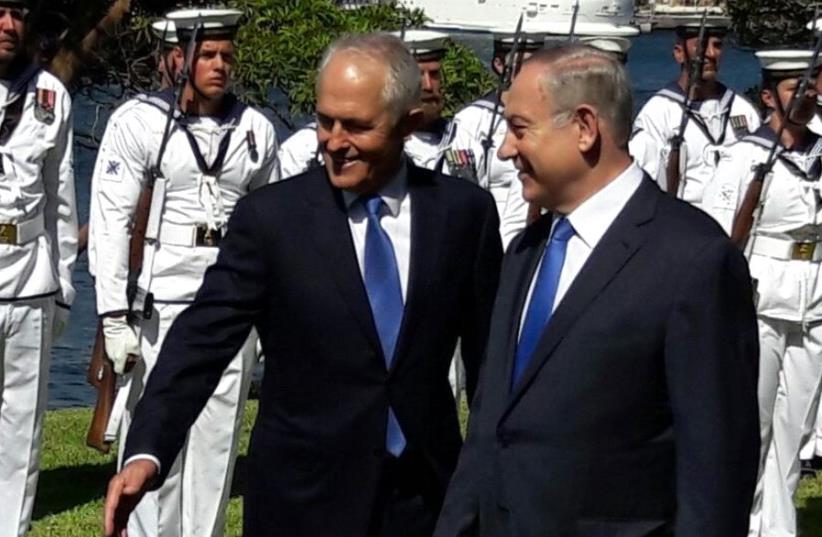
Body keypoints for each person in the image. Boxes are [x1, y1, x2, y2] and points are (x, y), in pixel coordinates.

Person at [103, 33, 502, 537]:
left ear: (408, 124)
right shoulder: (272, 220)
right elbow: (201, 341)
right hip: (302, 502)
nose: (335, 142)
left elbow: (491, 362)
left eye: (357, 126)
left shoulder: (464, 215)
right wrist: (147, 450)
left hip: (425, 500)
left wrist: (491, 473)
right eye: (325, 120)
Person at [434, 45, 760, 537]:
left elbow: (714, 470)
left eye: (520, 129)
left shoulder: (693, 260)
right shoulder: (526, 251)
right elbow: (488, 428)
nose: (504, 149)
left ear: (584, 128)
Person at [88, 8, 280, 537]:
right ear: (178, 57)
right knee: (154, 449)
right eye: (208, 55)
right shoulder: (140, 123)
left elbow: (272, 231)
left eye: (227, 56)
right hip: (159, 308)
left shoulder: (256, 132)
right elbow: (111, 220)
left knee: (215, 452)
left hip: (229, 311)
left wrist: (271, 317)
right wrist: (111, 315)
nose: (220, 66)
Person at [704, 49, 822, 537]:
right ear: (770, 96)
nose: (809, 94)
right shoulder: (744, 157)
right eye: (798, 87)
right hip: (760, 294)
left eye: (812, 84)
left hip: (813, 296)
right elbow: (717, 235)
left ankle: (778, 526)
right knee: (751, 425)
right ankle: (742, 523)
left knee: (794, 427)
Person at [0, 2, 77, 536]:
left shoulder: (51, 96)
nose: (8, 24)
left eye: (19, 12)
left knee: (21, 431)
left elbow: (61, 203)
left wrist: (64, 289)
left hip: (29, 279)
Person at [277, 30, 455, 177]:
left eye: (434, 75)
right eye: (417, 77)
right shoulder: (306, 149)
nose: (428, 86)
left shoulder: (464, 139)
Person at [630, 24, 760, 209]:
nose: (711, 54)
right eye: (700, 47)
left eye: (717, 46)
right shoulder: (659, 113)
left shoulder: (742, 110)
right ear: (679, 53)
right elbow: (644, 182)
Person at [447, 30, 544, 248]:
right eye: (526, 66)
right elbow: (464, 186)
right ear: (500, 65)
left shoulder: (552, 120)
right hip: (490, 240)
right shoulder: (471, 120)